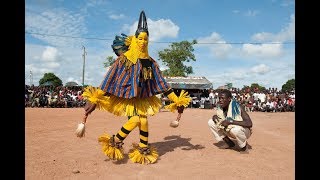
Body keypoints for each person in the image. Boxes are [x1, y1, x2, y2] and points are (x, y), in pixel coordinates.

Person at [77, 11, 191, 164]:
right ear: (135, 39)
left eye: (146, 39)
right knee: (136, 119)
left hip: (142, 99)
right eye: (140, 38)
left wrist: (177, 101)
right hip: (127, 98)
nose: (143, 42)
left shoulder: (151, 63)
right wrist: (95, 98)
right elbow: (109, 80)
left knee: (143, 121)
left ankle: (143, 151)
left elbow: (162, 84)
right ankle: (114, 141)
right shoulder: (124, 60)